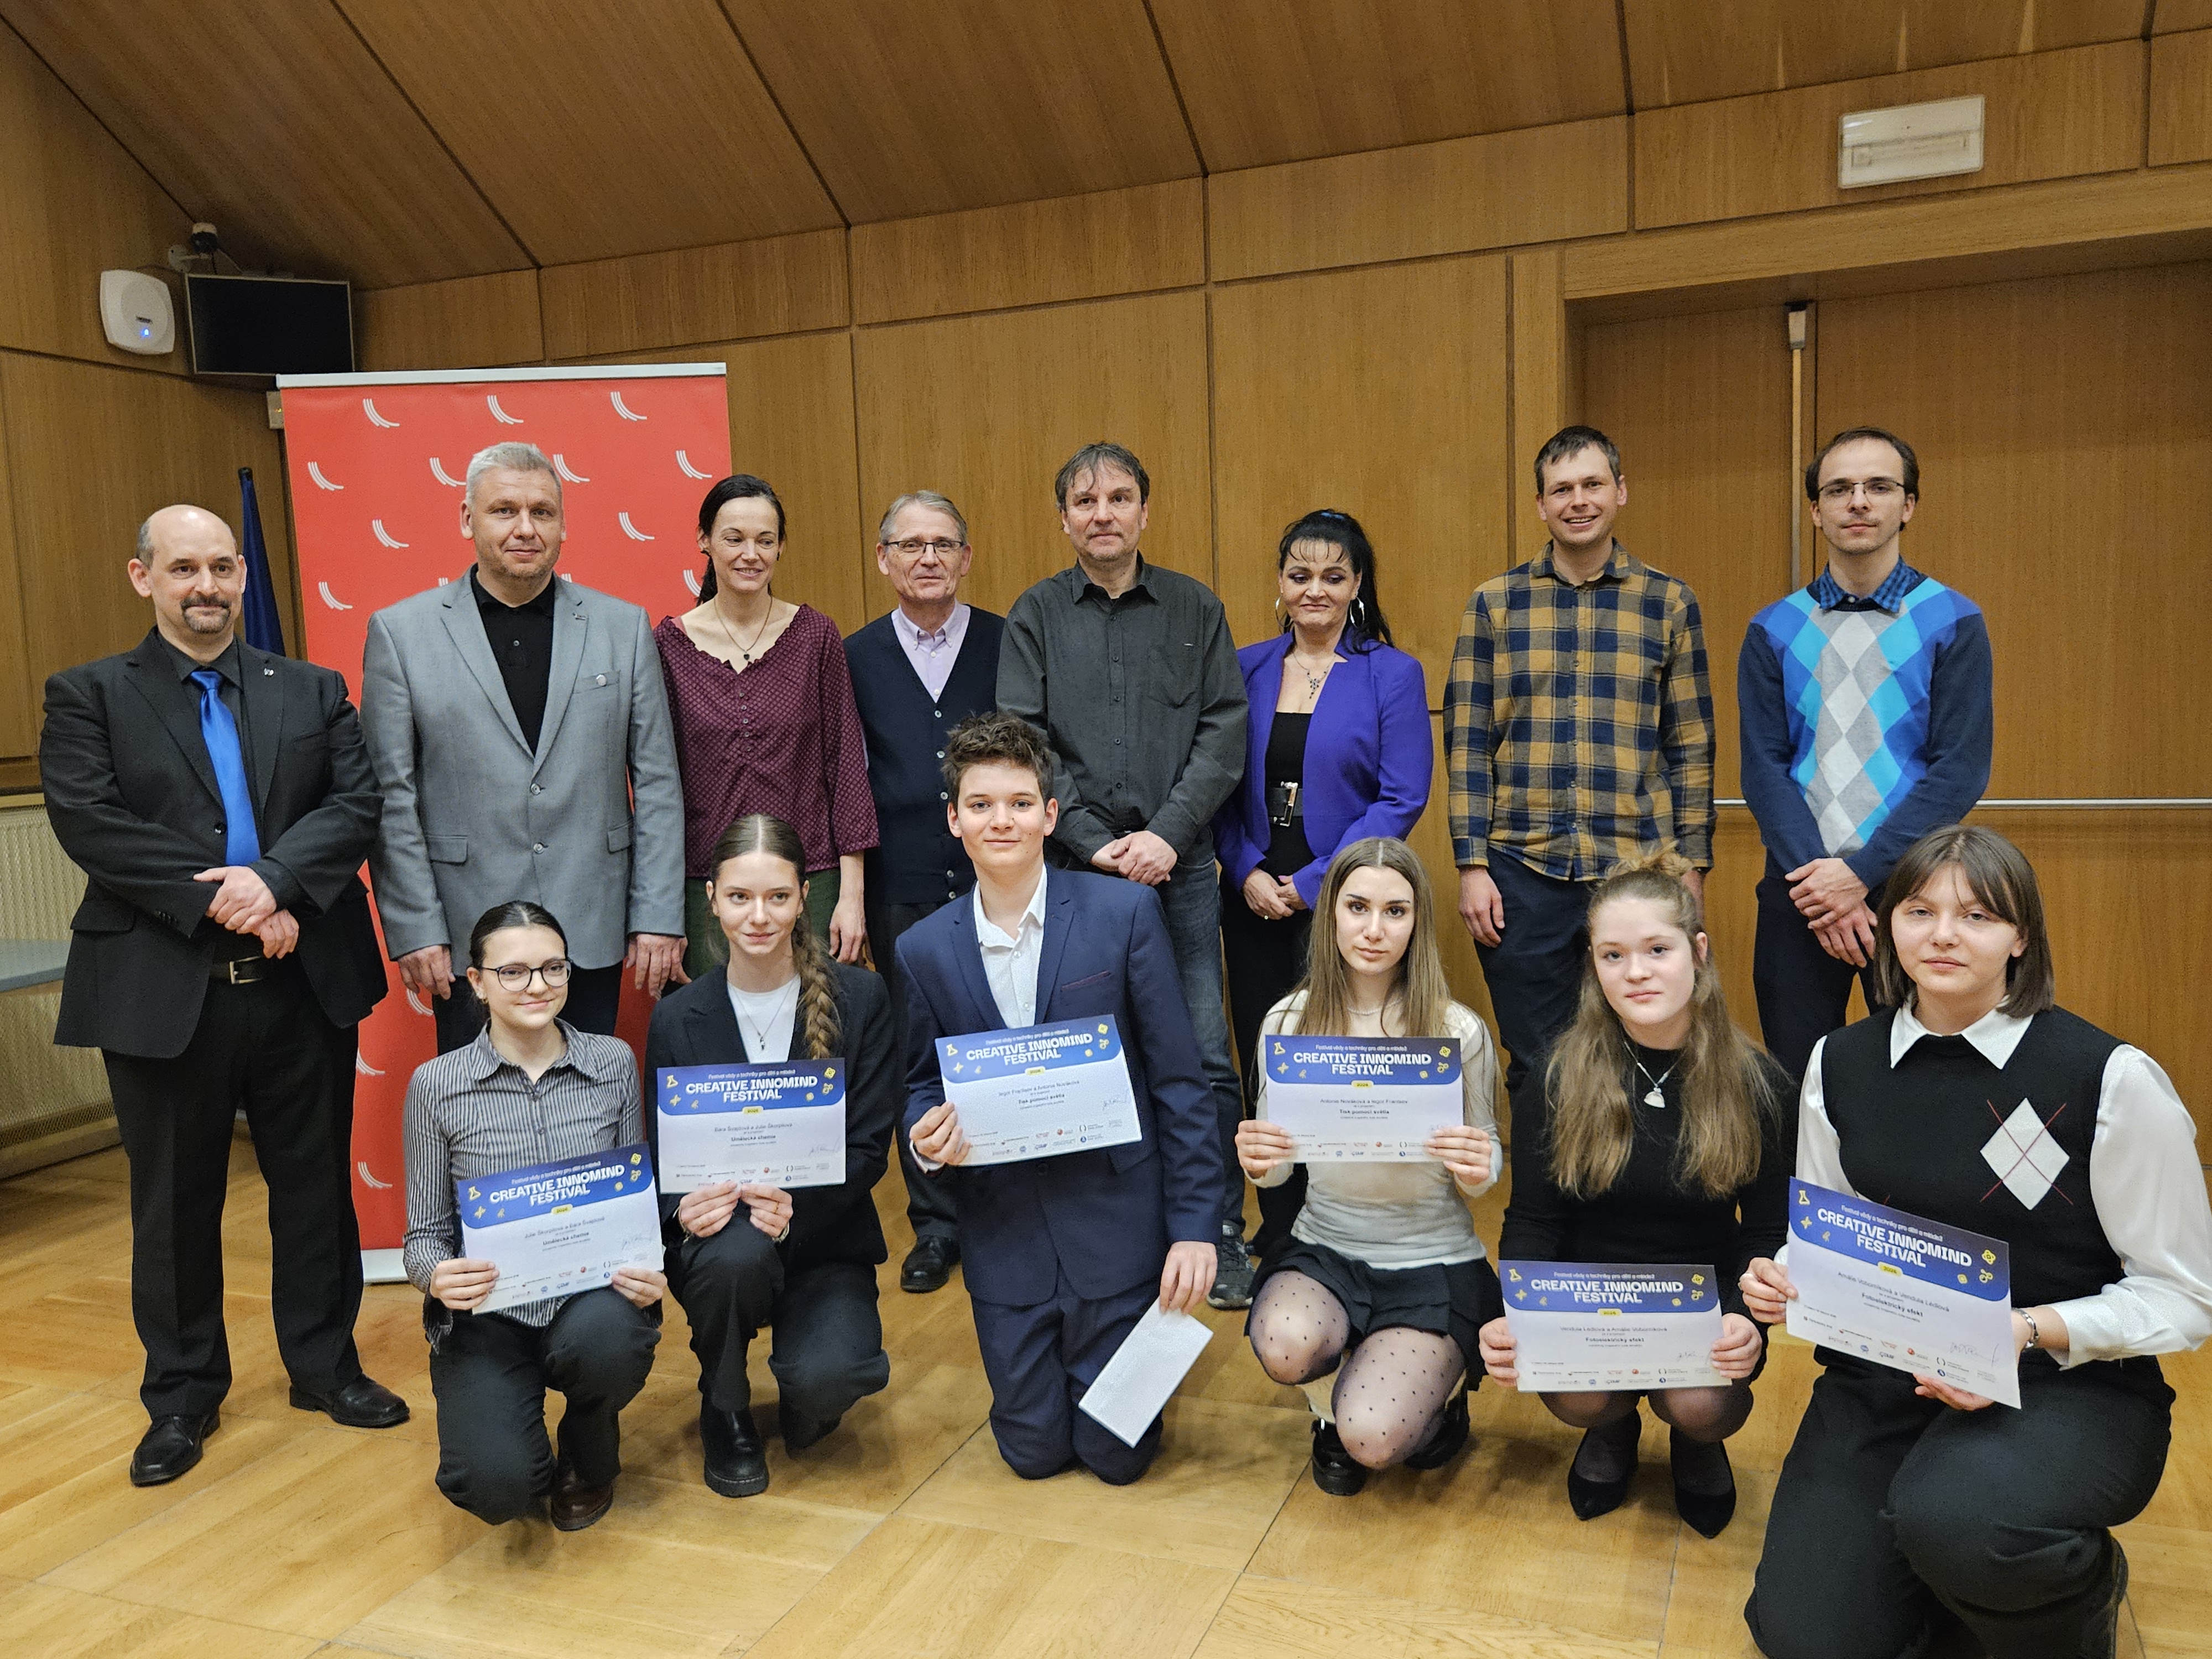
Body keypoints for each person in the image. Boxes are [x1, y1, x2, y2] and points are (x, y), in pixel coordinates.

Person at [1740, 826, 2212, 1659]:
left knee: (1961, 1523)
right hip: (1886, 1374)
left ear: (2021, 936)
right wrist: (1784, 1274)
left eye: (1978, 916)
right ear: (1887, 925)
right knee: (1804, 1638)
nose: (1944, 936)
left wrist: (2023, 1330)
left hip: (2061, 1385)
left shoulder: (2108, 1078)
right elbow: (1830, 1234)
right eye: (1918, 911)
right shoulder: (1838, 1062)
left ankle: (2071, 1587)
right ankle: (1950, 1574)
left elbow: (2185, 1297)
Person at [39, 505, 407, 1488]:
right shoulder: (88, 695)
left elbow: (355, 804)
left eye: (221, 567)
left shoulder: (312, 688)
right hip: (164, 990)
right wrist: (233, 905)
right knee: (173, 1205)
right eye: (182, 569)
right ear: (143, 577)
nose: (205, 587)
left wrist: (276, 883)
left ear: (243, 575)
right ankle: (182, 1395)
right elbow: (92, 823)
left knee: (314, 1190)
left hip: (301, 987)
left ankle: (325, 1369)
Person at [899, 712, 1220, 1484]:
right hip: (1006, 1236)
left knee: (1118, 1457)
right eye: (980, 805)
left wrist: (1193, 1231)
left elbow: (1180, 1081)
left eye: (1019, 803)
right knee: (1033, 1455)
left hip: (1116, 1228)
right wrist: (922, 1135)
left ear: (1050, 815)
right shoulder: (921, 949)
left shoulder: (1124, 914)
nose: (1000, 820)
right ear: (954, 820)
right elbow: (920, 1084)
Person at [999, 441, 1252, 1307]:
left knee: (1204, 1054)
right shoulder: (1035, 615)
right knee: (1090, 1054)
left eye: (1118, 498)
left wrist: (1166, 838)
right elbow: (1023, 738)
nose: (1102, 513)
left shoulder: (1196, 607)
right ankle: (1111, 1235)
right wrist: (1093, 840)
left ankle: (1220, 1228)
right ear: (1063, 518)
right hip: (1077, 873)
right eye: (1085, 500)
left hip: (1180, 871)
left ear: (1146, 511)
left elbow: (1224, 733)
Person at [1478, 851, 1790, 1537]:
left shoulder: (1758, 1083)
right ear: (1593, 966)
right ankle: (1612, 1425)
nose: (1636, 972)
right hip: (1590, 1305)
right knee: (1580, 1400)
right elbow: (1532, 1221)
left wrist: (1747, 1318)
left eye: (1656, 950)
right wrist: (1518, 1313)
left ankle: (1693, 1441)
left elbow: (1768, 1232)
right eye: (1613, 956)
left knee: (1703, 1406)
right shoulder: (1557, 1075)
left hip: (1702, 1306)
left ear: (1698, 952)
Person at [362, 441, 687, 1053]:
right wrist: (415, 926)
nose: (525, 528)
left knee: (589, 1098)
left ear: (563, 524)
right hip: (467, 933)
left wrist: (657, 914)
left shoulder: (622, 628)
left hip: (591, 922)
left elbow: (658, 784)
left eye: (542, 512)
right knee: (480, 1105)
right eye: (504, 510)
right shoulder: (401, 634)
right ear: (468, 519)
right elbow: (391, 797)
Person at [1446, 425, 1716, 1097]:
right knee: (1537, 1063)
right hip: (1520, 868)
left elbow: (1690, 746)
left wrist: (1693, 867)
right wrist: (1472, 865)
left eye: (1592, 484)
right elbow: (1469, 742)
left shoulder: (1668, 603)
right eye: (1561, 489)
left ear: (1619, 491)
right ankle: (1544, 1174)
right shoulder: (1494, 604)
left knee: (1645, 1051)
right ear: (1541, 504)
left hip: (1638, 867)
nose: (1578, 501)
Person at [1236, 837, 1500, 1496]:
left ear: (1417, 923)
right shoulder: (1288, 1021)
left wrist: (1477, 1166)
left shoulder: (1455, 1029)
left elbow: (1485, 1168)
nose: (1374, 930)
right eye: (1357, 907)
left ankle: (1437, 1402)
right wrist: (1260, 1163)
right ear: (1330, 914)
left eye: (1395, 912)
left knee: (1376, 1438)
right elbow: (1274, 1176)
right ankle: (1331, 1404)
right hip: (1325, 1247)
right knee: (1285, 1344)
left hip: (1429, 1257)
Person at [645, 813, 898, 1499]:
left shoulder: (861, 999)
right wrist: (683, 1209)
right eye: (739, 897)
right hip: (722, 1242)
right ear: (711, 899)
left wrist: (793, 1210)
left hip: (825, 1237)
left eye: (777, 897)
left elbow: (867, 1149)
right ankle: (724, 1403)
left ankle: (805, 1385)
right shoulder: (676, 1016)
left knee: (829, 1382)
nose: (758, 917)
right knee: (734, 1255)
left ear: (804, 897)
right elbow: (663, 1159)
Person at [1740, 427, 1993, 1081]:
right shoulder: (1773, 628)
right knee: (1797, 1082)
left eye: (1877, 487)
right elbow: (1763, 769)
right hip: (1799, 890)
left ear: (1907, 504)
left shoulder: (1952, 620)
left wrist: (1859, 876)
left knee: (1923, 1077)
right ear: (1815, 510)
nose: (1857, 502)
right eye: (1838, 490)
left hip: (1914, 890)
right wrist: (1823, 887)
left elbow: (1960, 770)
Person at [402, 902, 665, 1531]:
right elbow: (422, 1237)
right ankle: (518, 1445)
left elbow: (634, 1204)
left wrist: (647, 1268)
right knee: (497, 1486)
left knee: (612, 1341)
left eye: (553, 968)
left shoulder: (612, 1063)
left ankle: (588, 1446)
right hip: (488, 1313)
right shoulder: (435, 1085)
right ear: (476, 982)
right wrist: (436, 1276)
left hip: (591, 1302)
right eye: (513, 972)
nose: (537, 986)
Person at [1216, 509, 1431, 1264]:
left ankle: (1341, 1223)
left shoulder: (1391, 673)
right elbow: (1216, 780)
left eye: (1333, 576)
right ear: (1279, 583)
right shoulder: (1243, 666)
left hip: (1346, 903)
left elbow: (1401, 796)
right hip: (1250, 899)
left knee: (1340, 1063)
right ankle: (1279, 1225)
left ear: (1357, 585)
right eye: (1299, 574)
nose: (1315, 589)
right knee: (1266, 1061)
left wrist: (1315, 884)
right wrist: (1245, 870)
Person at [843, 489, 1004, 1294]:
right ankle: (936, 1225)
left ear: (966, 557)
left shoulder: (1009, 642)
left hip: (998, 882)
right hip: (899, 884)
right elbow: (846, 777)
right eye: (910, 545)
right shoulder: (853, 656)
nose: (928, 558)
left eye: (943, 544)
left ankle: (1007, 1206)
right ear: (884, 560)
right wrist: (852, 892)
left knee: (1000, 1039)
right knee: (921, 1054)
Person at [656, 474, 877, 976]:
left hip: (811, 880)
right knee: (716, 1022)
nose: (750, 554)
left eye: (765, 540)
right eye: (734, 538)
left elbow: (846, 768)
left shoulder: (815, 636)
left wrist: (852, 895)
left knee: (815, 1018)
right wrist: (662, 914)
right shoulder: (667, 646)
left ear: (781, 547)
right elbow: (656, 787)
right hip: (706, 888)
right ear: (704, 540)